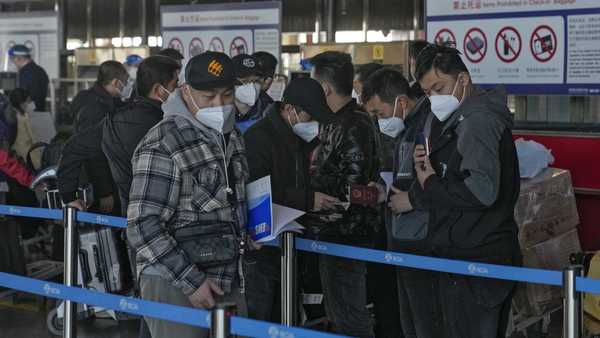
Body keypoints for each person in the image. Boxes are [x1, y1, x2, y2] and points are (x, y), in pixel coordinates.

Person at [127, 52, 250, 338]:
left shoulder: (232, 137)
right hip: (174, 281)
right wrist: (191, 281)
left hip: (227, 275)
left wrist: (247, 230)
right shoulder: (162, 142)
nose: (219, 105)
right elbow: (143, 226)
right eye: (208, 97)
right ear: (185, 92)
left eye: (227, 95)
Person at [405, 44, 521, 338]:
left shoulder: (477, 122)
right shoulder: (459, 121)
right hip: (471, 252)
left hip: (478, 258)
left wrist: (430, 182)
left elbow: (481, 192)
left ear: (463, 80)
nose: (434, 98)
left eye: (439, 87)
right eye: (428, 92)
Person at [243, 78, 339, 322]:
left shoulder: (299, 140)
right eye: (310, 117)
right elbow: (256, 191)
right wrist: (308, 200)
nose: (313, 124)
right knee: (263, 317)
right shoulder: (258, 138)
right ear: (289, 109)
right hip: (263, 246)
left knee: (287, 315)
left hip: (290, 243)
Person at [362, 67, 441, 338]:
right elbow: (406, 177)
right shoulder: (407, 129)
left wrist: (411, 200)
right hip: (405, 240)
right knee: (410, 322)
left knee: (425, 323)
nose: (378, 121)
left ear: (401, 102)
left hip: (422, 242)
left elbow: (438, 184)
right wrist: (386, 193)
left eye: (379, 113)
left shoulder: (429, 127)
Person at [308, 51, 379, 338]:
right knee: (339, 310)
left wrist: (308, 182)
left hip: (347, 231)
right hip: (332, 228)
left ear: (324, 88)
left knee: (348, 313)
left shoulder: (353, 124)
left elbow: (354, 187)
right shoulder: (334, 120)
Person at [58, 55, 180, 216]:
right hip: (163, 216)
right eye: (176, 84)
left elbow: (74, 147)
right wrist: (103, 191)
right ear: (158, 90)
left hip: (132, 214)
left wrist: (68, 196)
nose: (180, 90)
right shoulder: (164, 123)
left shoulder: (118, 119)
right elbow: (87, 153)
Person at [66, 60, 129, 214]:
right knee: (103, 231)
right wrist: (105, 191)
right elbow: (94, 152)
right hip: (96, 181)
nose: (127, 86)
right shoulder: (96, 108)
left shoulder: (91, 98)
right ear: (115, 82)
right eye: (125, 82)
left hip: (93, 178)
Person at [232, 54, 270, 130]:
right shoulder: (220, 112)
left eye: (256, 81)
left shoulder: (271, 112)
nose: (251, 87)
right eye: (245, 81)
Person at [9, 45, 49, 111]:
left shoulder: (25, 73)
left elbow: (22, 97)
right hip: (40, 110)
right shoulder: (40, 70)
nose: (13, 61)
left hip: (30, 114)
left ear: (20, 58)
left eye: (13, 58)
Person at [7, 89, 41, 169]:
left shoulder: (11, 114)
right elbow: (33, 138)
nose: (30, 103)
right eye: (28, 101)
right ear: (21, 103)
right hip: (27, 157)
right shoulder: (23, 117)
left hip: (16, 156)